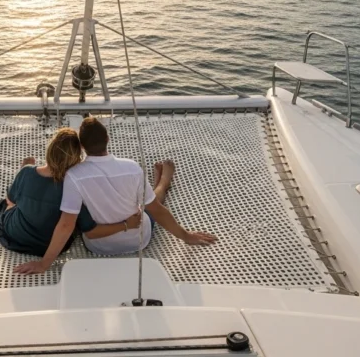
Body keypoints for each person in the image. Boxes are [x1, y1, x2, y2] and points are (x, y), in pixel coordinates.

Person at [15, 117, 216, 274]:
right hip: (138, 238)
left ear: (82, 148)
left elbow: (67, 225)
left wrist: (44, 264)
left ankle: (163, 180)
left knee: (146, 202)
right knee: (152, 204)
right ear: (108, 140)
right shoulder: (132, 168)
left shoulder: (73, 176)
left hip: (98, 246)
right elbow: (158, 211)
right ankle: (163, 181)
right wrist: (186, 236)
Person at [0, 128, 142, 256]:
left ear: (50, 150)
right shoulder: (75, 186)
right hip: (50, 247)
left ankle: (23, 171)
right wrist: (125, 225)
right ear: (76, 159)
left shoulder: (27, 174)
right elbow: (91, 231)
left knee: (9, 203)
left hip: (16, 235)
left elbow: (11, 201)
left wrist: (23, 173)